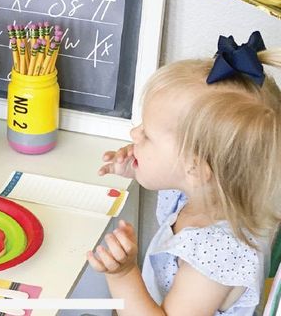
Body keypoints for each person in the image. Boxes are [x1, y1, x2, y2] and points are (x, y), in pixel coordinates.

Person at [87, 32, 281, 316]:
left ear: (195, 168)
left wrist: (123, 275)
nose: (133, 133)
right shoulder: (198, 196)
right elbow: (166, 173)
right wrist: (134, 165)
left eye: (148, 135)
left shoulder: (217, 253)